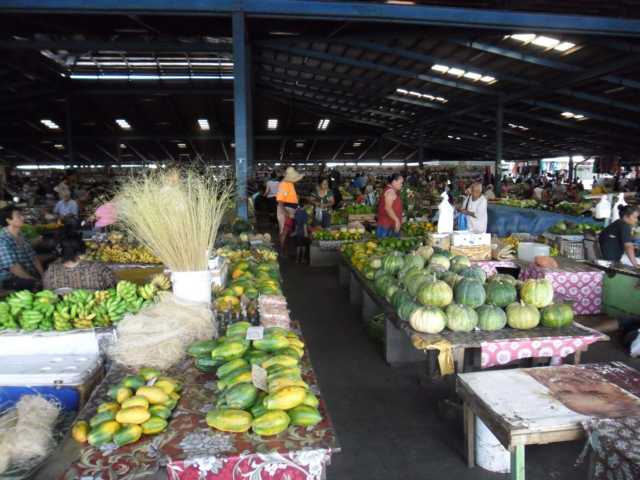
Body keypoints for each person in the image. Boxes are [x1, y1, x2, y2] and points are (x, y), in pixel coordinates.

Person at [43, 235, 116, 291]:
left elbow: (46, 293)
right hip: (96, 308)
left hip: (60, 310)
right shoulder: (99, 269)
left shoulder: (50, 272)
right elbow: (114, 287)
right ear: (82, 250)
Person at [0, 206, 43, 291]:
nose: (23, 218)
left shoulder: (21, 235)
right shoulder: (3, 240)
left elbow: (33, 258)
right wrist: (35, 280)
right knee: (36, 286)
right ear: (9, 220)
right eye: (19, 216)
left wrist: (43, 275)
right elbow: (14, 268)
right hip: (11, 279)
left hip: (27, 273)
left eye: (22, 215)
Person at [276, 167, 303, 250]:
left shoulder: (289, 183)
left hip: (290, 210)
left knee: (287, 231)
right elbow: (280, 202)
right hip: (286, 210)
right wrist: (287, 214)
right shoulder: (283, 184)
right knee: (284, 231)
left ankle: (284, 249)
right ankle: (282, 250)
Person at [376, 173, 404, 238]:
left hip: (388, 225)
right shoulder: (390, 192)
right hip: (386, 226)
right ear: (394, 182)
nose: (401, 185)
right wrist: (396, 220)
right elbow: (388, 208)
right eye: (400, 183)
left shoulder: (392, 190)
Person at [293, 200, 311, 264]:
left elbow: (296, 223)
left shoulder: (297, 212)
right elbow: (304, 224)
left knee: (298, 246)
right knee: (303, 246)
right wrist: (306, 233)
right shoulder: (304, 213)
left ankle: (297, 260)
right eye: (307, 205)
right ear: (305, 205)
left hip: (298, 232)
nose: (308, 206)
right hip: (303, 232)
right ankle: (302, 259)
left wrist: (295, 231)